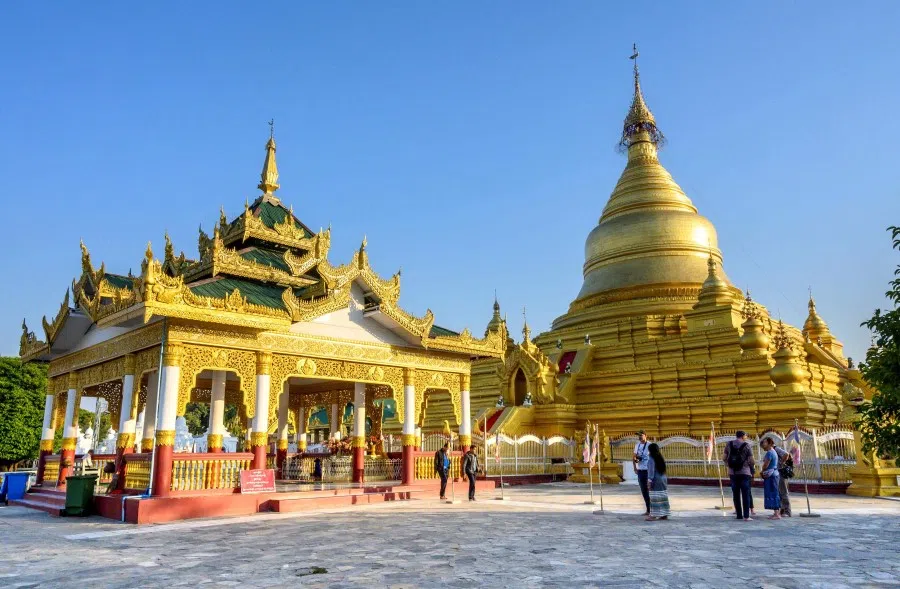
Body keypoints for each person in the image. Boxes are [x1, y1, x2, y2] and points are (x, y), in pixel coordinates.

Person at [723, 430, 755, 521]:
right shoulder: (747, 445)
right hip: (745, 473)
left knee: (735, 494)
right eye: (745, 436)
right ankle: (746, 516)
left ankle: (739, 515)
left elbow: (724, 458)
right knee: (746, 494)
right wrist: (749, 467)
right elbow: (752, 460)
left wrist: (730, 466)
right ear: (743, 436)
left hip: (733, 473)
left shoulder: (729, 444)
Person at [645, 443, 670, 521]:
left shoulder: (651, 459)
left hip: (655, 480)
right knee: (663, 496)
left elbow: (651, 471)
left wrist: (649, 482)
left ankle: (653, 515)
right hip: (663, 479)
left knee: (654, 497)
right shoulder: (660, 458)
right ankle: (664, 514)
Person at [760, 437, 782, 520]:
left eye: (764, 443)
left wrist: (762, 471)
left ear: (769, 443)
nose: (763, 444)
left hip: (771, 475)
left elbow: (766, 464)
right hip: (774, 474)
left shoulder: (770, 453)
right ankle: (776, 512)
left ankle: (777, 514)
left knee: (773, 493)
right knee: (774, 492)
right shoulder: (773, 452)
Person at [772, 439, 793, 517]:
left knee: (784, 492)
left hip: (781, 473)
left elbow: (786, 454)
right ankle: (782, 510)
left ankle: (788, 511)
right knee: (780, 493)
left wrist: (781, 463)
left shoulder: (776, 449)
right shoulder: (772, 450)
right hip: (778, 473)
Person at [633, 430, 651, 515]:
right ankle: (648, 509)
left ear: (646, 435)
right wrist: (635, 468)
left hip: (648, 470)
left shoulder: (650, 445)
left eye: (641, 435)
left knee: (651, 489)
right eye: (638, 435)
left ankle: (655, 509)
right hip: (640, 470)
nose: (640, 437)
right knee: (644, 490)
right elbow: (634, 457)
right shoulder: (637, 445)